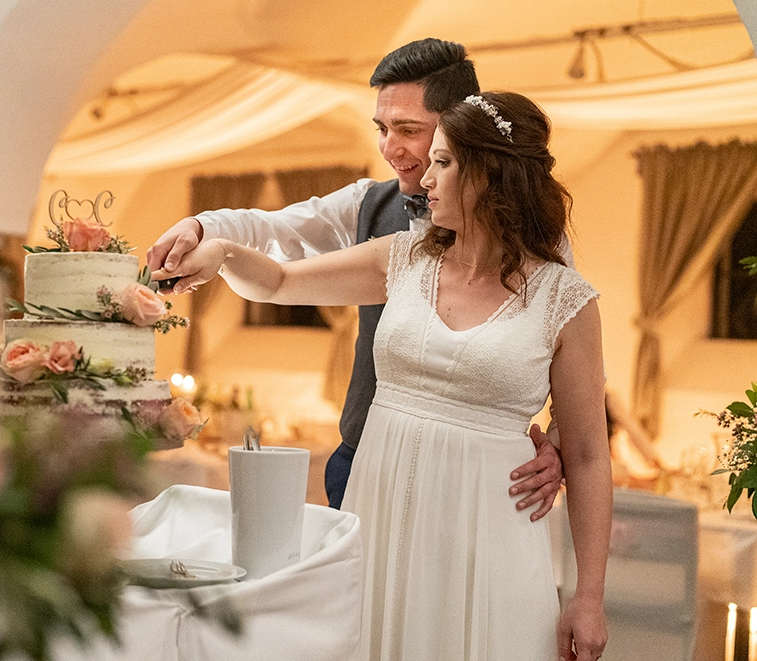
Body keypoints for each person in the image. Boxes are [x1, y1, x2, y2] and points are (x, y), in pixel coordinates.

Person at [154, 91, 611, 660]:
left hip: (490, 531)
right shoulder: (402, 257)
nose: (425, 179)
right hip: (382, 509)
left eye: (444, 162)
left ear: (490, 177)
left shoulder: (565, 299)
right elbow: (277, 283)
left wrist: (588, 596)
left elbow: (590, 456)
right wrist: (221, 252)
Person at [147, 39, 564, 516]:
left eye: (408, 129)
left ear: (460, 128)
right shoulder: (370, 207)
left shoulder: (537, 242)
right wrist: (202, 227)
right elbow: (273, 235)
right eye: (382, 128)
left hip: (474, 479)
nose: (390, 147)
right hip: (363, 460)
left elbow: (570, 347)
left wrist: (559, 444)